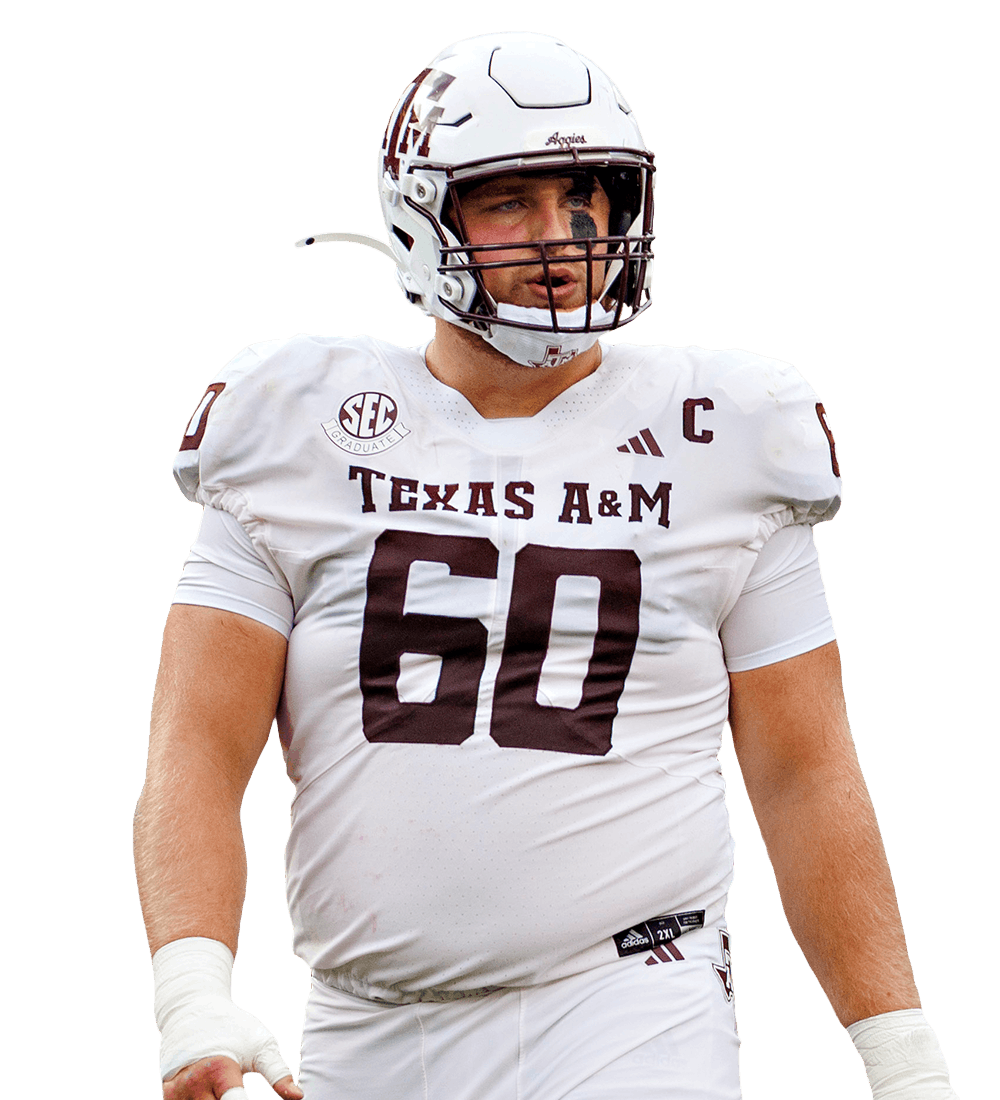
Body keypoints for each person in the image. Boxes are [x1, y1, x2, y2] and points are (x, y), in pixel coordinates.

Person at [134, 31, 959, 1099]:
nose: (561, 237)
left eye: (584, 197)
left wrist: (902, 1056)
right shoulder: (298, 417)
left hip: (628, 1002)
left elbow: (803, 768)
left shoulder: (726, 428)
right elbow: (199, 748)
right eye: (508, 201)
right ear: (419, 215)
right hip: (361, 1021)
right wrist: (193, 990)